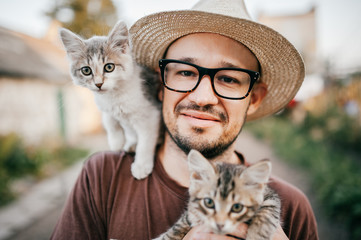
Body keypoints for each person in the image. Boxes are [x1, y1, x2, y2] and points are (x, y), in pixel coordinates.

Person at [51, 0, 318, 239]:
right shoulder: (101, 179)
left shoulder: (293, 210)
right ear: (160, 83)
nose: (203, 97)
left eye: (228, 78)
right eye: (186, 73)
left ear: (255, 98)